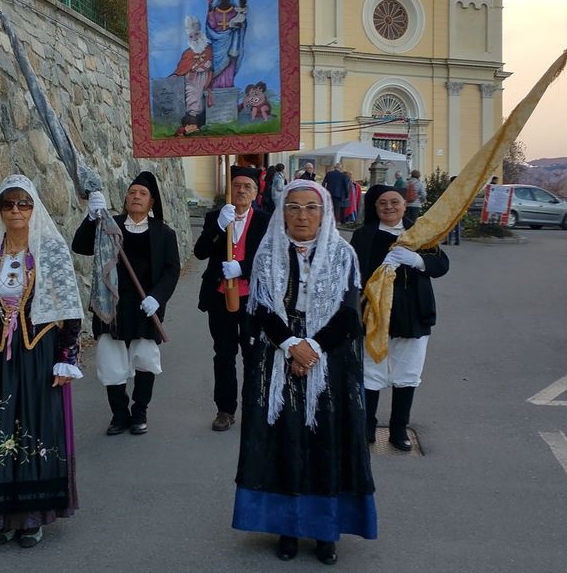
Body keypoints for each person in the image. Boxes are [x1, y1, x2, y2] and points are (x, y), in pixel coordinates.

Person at [233, 180, 377, 564]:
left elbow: (349, 312)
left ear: (325, 212)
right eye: (293, 207)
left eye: (311, 207)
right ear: (282, 212)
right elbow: (262, 308)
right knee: (284, 441)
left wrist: (312, 347)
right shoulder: (268, 253)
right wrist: (290, 344)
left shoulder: (343, 254)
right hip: (276, 359)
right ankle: (288, 529)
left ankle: (326, 532)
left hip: (330, 363)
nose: (302, 215)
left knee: (326, 441)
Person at [0, 174, 84, 548]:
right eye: (8, 203)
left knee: (36, 428)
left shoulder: (50, 250)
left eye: (23, 203)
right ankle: (0, 516)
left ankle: (32, 518)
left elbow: (69, 308)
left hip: (39, 356)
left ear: (33, 207)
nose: (15, 210)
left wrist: (66, 357)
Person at [72, 171, 180, 436]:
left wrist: (157, 297)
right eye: (132, 192)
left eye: (142, 194)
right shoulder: (110, 225)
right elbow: (81, 246)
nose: (136, 197)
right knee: (112, 362)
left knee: (145, 359)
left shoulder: (164, 233)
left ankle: (139, 412)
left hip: (146, 305)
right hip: (113, 304)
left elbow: (171, 269)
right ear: (125, 199)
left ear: (151, 202)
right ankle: (119, 415)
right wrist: (91, 218)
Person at [350, 184, 449, 451]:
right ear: (375, 207)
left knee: (407, 372)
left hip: (413, 313)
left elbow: (441, 265)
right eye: (382, 203)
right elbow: (352, 273)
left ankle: (398, 429)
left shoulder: (420, 233)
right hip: (375, 314)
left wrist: (416, 260)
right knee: (371, 371)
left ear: (405, 205)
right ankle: (367, 426)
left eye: (395, 202)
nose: (389, 207)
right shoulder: (364, 235)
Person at [193, 167, 271, 431]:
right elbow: (200, 252)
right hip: (219, 298)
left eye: (247, 186)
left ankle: (254, 408)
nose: (241, 190)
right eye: (237, 185)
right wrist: (218, 226)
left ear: (256, 193)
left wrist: (243, 268)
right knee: (224, 355)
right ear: (230, 189)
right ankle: (225, 410)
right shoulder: (216, 216)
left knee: (253, 355)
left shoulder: (265, 220)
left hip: (252, 300)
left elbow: (271, 258)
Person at [206, 0, 248, 88]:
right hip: (217, 44)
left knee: (230, 63)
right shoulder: (214, 10)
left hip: (231, 43)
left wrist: (239, 26)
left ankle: (228, 86)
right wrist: (210, 10)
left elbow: (242, 23)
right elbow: (211, 26)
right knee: (216, 67)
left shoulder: (235, 10)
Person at [170, 15, 213, 123]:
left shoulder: (209, 49)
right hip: (191, 79)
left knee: (200, 95)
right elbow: (182, 68)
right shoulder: (187, 53)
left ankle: (198, 119)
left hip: (205, 78)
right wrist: (176, 74)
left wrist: (207, 66)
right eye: (191, 36)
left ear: (201, 34)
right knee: (193, 93)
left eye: (196, 34)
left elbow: (213, 64)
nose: (195, 38)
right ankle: (192, 119)